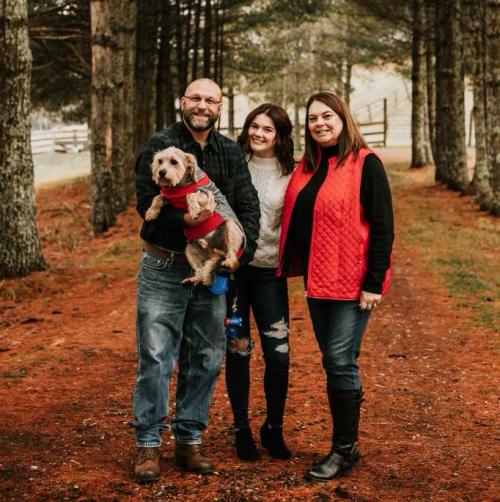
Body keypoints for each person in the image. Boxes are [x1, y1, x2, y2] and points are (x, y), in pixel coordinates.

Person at [131, 78, 260, 483]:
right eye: (196, 98)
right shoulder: (159, 144)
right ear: (182, 101)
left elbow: (246, 205)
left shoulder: (228, 152)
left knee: (205, 357)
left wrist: (240, 253)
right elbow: (143, 204)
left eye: (211, 100)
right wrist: (189, 220)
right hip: (164, 265)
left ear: (219, 107)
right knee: (156, 356)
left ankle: (189, 440)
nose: (202, 105)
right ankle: (149, 444)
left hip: (214, 266)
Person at [277, 91, 394, 481]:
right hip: (318, 278)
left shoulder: (366, 164)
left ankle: (343, 450)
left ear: (343, 118)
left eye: (327, 116)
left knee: (340, 360)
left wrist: (373, 283)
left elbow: (382, 227)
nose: (320, 124)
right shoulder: (307, 167)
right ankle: (350, 440)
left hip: (353, 282)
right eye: (312, 119)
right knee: (334, 360)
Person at [225, 104, 295, 461]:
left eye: (268, 129)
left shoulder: (293, 173)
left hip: (270, 274)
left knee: (278, 355)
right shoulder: (233, 164)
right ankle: (241, 430)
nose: (258, 134)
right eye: (254, 126)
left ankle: (274, 428)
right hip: (234, 273)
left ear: (280, 135)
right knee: (238, 350)